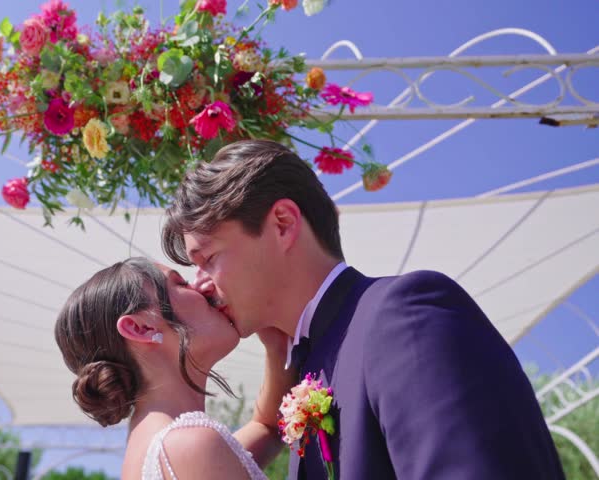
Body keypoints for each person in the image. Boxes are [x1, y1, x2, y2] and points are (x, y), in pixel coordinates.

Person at [161, 139, 565, 480]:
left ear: (283, 223)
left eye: (208, 257)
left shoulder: (403, 317)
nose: (200, 284)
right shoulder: (308, 365)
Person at [54, 257, 296, 479]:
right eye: (181, 283)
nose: (202, 288)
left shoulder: (163, 445)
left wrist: (276, 346)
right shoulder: (190, 445)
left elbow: (269, 427)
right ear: (141, 329)